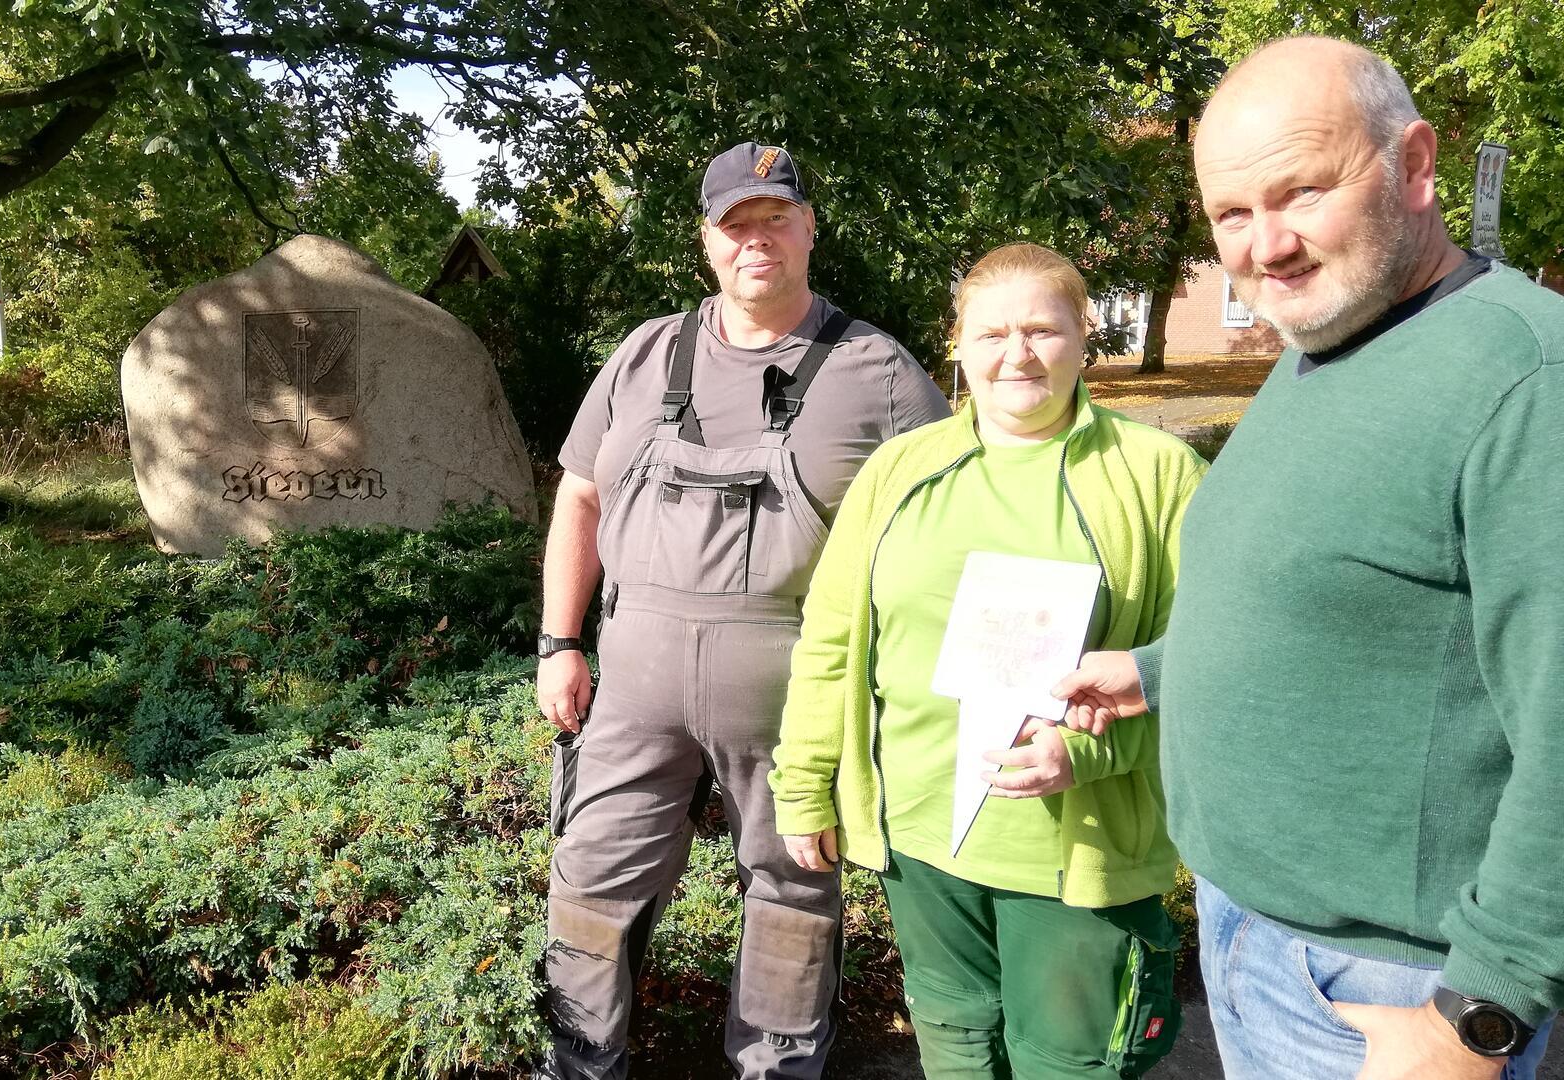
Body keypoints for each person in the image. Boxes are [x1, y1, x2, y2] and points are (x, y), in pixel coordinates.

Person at [1051, 36, 1564, 1080]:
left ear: (1416, 165)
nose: (1265, 245)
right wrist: (1157, 673)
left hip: (1391, 991)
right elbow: (1345, 593)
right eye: (1232, 215)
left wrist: (1481, 1015)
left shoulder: (1524, 375)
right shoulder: (1332, 339)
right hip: (1257, 946)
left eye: (1301, 192)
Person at [534, 141, 950, 1080]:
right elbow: (579, 499)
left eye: (776, 219)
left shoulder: (877, 370)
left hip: (795, 698)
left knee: (794, 895)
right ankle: (577, 1061)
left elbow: (949, 520)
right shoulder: (645, 353)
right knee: (592, 877)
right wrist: (561, 639)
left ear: (808, 230)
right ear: (708, 244)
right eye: (737, 225)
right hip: (631, 687)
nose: (756, 240)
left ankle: (777, 1068)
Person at [771, 242, 1207, 1078]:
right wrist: (803, 788)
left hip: (1077, 851)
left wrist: (1086, 752)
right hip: (922, 835)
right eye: (993, 332)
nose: (1017, 354)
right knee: (956, 1044)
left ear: (1086, 334)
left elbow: (1212, 665)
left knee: (1068, 1062)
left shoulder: (1160, 478)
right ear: (957, 343)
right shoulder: (901, 469)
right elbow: (830, 638)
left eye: (1043, 330)